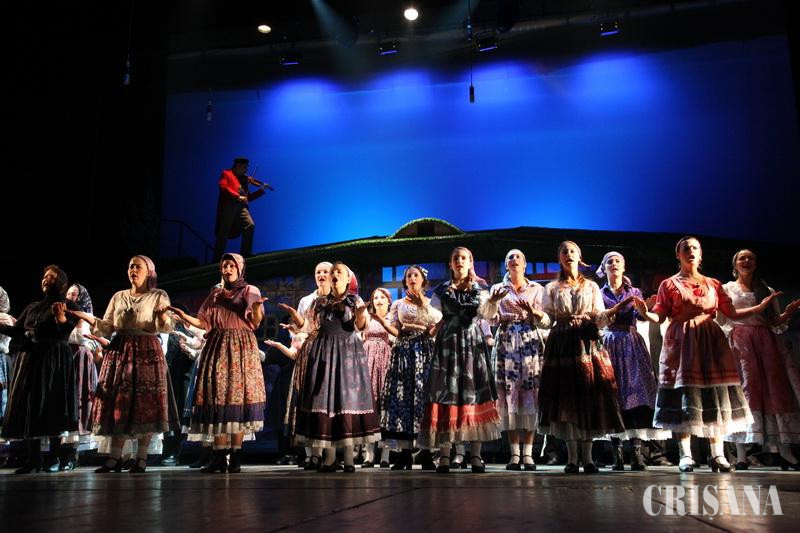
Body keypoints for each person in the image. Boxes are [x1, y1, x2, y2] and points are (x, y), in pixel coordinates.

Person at [636, 237, 777, 473]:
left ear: (700, 255)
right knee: (684, 395)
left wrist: (760, 307)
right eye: (686, 248)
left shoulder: (713, 283)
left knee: (715, 395)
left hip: (711, 342)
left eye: (695, 248)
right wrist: (645, 313)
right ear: (678, 255)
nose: (690, 251)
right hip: (682, 342)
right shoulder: (668, 284)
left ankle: (717, 454)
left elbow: (732, 313)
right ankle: (686, 454)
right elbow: (659, 316)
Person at [71, 255, 179, 474]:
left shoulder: (158, 295)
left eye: (137, 267)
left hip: (147, 350)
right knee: (118, 400)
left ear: (149, 272)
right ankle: (115, 457)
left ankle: (141, 458)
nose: (133, 270)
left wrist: (162, 317)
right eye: (130, 266)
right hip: (120, 349)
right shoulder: (119, 296)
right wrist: (87, 318)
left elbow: (167, 327)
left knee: (145, 402)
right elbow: (107, 325)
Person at [168, 253, 268, 473]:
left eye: (232, 265)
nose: (227, 269)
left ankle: (236, 456)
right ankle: (219, 456)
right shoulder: (214, 294)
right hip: (217, 345)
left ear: (240, 268)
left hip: (240, 347)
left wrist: (257, 308)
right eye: (224, 266)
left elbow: (255, 321)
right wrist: (183, 316)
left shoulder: (249, 290)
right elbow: (203, 322)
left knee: (237, 399)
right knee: (217, 398)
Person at [537, 241, 626, 474]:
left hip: (587, 342)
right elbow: (548, 318)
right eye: (564, 251)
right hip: (563, 344)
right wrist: (536, 314)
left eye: (572, 251)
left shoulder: (592, 286)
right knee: (567, 397)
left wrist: (611, 313)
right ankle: (572, 458)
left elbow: (598, 315)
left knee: (588, 396)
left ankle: (588, 459)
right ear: (559, 258)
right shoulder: (552, 287)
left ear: (579, 257)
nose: (568, 254)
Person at [418, 247, 502, 474]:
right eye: (456, 258)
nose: (459, 261)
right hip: (448, 346)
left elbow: (486, 314)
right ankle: (445, 455)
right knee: (447, 394)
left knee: (473, 393)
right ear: (450, 263)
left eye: (464, 258)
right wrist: (423, 306)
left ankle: (475, 456)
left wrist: (493, 302)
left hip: (472, 345)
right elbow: (433, 315)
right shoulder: (442, 290)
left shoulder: (479, 289)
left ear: (470, 262)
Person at [293, 262, 380, 473]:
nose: (334, 274)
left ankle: (349, 458)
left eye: (338, 272)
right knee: (325, 400)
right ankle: (329, 458)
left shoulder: (355, 300)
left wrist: (360, 314)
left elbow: (360, 327)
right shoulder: (320, 302)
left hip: (348, 354)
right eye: (332, 272)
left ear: (347, 278)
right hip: (324, 352)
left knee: (347, 401)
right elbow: (309, 327)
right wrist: (296, 320)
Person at [719, 249, 800, 470]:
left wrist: (786, 314)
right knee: (745, 391)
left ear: (756, 263)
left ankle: (785, 452)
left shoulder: (766, 290)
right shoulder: (727, 289)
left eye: (751, 258)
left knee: (774, 390)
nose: (747, 261)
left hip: (765, 342)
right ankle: (741, 454)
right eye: (742, 258)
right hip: (741, 342)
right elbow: (723, 319)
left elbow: (774, 322)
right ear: (734, 265)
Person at [0, 266, 80, 474]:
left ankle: (54, 457)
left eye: (51, 277)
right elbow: (17, 332)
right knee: (30, 404)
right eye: (44, 276)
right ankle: (33, 459)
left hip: (55, 358)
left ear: (61, 282)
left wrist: (61, 318)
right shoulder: (33, 306)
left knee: (53, 403)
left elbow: (66, 331)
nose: (46, 279)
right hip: (30, 358)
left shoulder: (69, 305)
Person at [596, 252, 670, 471]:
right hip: (609, 343)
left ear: (624, 266)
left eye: (617, 261)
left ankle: (637, 453)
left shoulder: (634, 291)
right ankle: (617, 454)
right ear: (604, 268)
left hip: (630, 342)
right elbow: (599, 319)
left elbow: (639, 316)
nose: (614, 264)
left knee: (636, 394)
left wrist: (646, 309)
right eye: (609, 261)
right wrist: (616, 309)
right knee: (613, 396)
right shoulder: (599, 293)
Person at [375, 266, 442, 470]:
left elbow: (434, 328)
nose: (412, 278)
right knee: (402, 398)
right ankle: (404, 454)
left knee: (423, 399)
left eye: (416, 275)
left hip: (424, 350)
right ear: (405, 281)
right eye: (409, 276)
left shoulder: (430, 303)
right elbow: (396, 329)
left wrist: (423, 306)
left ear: (423, 280)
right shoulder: (398, 304)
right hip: (403, 351)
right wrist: (382, 323)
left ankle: (427, 452)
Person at [489, 249, 547, 471]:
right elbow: (490, 319)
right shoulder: (498, 289)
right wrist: (492, 302)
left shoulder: (536, 289)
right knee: (509, 395)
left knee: (530, 394)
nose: (514, 260)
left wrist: (533, 312)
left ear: (525, 264)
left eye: (518, 257)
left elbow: (546, 321)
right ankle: (514, 454)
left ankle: (528, 454)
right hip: (506, 341)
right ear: (506, 265)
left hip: (529, 341)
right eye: (509, 258)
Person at [360, 288, 394, 468]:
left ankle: (386, 455)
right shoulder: (367, 318)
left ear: (389, 300)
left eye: (382, 297)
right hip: (367, 362)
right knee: (369, 407)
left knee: (385, 407)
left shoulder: (393, 318)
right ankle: (369, 454)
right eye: (375, 297)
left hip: (386, 362)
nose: (378, 300)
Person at [213, 157, 269, 261]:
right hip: (230, 205)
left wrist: (261, 190)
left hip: (241, 207)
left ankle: (245, 253)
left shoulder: (243, 180)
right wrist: (238, 196)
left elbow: (248, 197)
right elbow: (223, 187)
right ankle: (217, 258)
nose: (246, 170)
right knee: (224, 231)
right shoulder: (227, 173)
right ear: (238, 166)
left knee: (250, 225)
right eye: (245, 167)